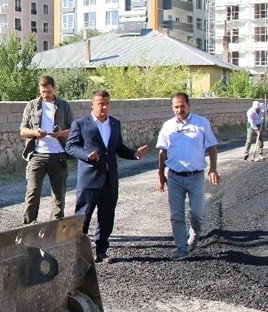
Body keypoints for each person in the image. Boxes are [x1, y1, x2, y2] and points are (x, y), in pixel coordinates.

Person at [65, 90, 149, 263]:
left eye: (107, 103)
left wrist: (134, 154)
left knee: (107, 217)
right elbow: (71, 147)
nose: (104, 107)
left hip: (110, 179)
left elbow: (118, 148)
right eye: (100, 104)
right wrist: (87, 155)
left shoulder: (114, 124)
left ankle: (101, 251)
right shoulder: (80, 124)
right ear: (92, 105)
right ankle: (77, 253)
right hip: (89, 180)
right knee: (82, 218)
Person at [156, 93, 220, 261]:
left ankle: (195, 233)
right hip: (174, 177)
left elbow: (212, 148)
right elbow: (162, 152)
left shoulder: (201, 123)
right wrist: (161, 174)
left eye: (182, 106)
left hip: (195, 176)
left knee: (197, 213)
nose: (179, 110)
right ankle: (182, 248)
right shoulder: (168, 126)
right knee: (176, 215)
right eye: (176, 107)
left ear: (189, 105)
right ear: (172, 108)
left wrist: (213, 169)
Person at [20, 75, 73, 224]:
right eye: (43, 91)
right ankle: (28, 226)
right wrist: (35, 133)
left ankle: (55, 228)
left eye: (48, 91)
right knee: (32, 193)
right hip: (37, 155)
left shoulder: (64, 106)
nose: (45, 94)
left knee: (59, 195)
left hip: (59, 156)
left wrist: (60, 134)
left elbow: (73, 130)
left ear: (54, 89)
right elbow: (23, 130)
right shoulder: (31, 105)